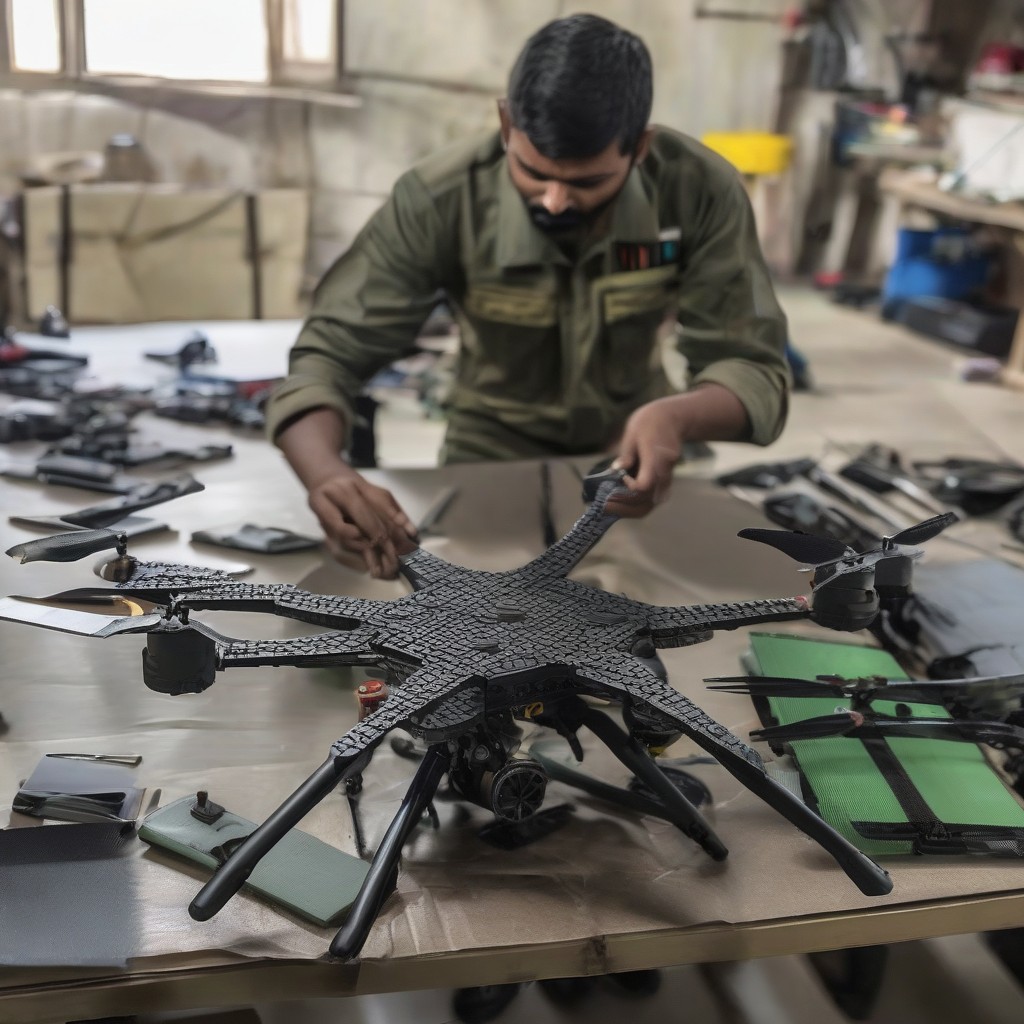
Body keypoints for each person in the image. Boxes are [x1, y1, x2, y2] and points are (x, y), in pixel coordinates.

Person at [266, 13, 791, 579]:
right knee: (470, 626)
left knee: (659, 625)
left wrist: (676, 417)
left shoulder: (699, 189)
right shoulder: (439, 198)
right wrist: (325, 474)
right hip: (486, 456)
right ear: (504, 122)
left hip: (634, 457)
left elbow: (753, 368)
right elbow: (328, 356)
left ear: (640, 148)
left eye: (588, 182)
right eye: (533, 173)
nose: (557, 200)